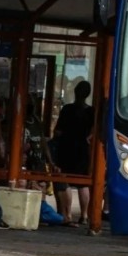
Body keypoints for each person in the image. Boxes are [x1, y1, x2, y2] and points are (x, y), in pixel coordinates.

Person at [54, 80, 94, 226]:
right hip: (83, 149)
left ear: (75, 92)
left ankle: (68, 214)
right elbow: (93, 131)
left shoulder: (67, 109)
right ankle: (84, 215)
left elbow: (58, 131)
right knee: (83, 183)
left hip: (66, 147)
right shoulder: (91, 112)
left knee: (66, 180)